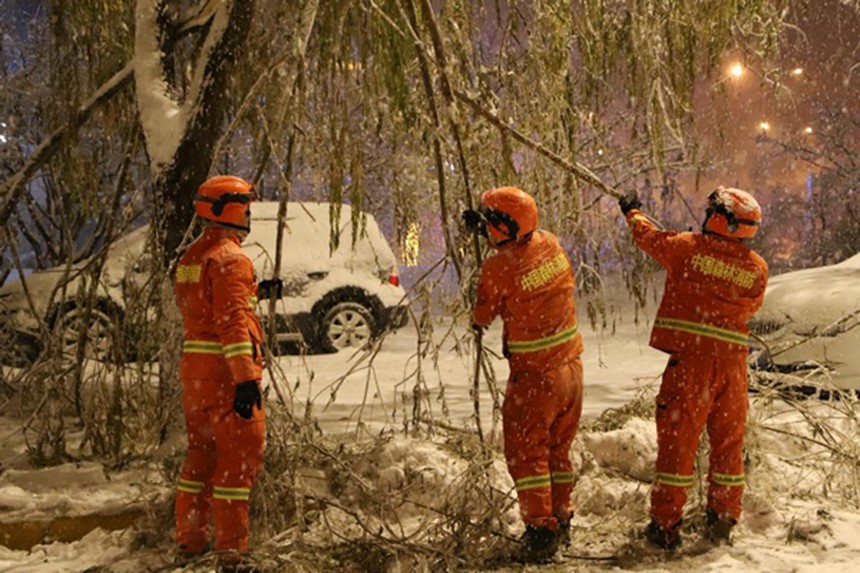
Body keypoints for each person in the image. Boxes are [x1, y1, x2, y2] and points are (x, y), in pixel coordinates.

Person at [618, 186, 769, 549]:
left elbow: (650, 238)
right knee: (728, 446)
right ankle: (723, 519)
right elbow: (749, 308)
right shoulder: (757, 269)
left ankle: (665, 525)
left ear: (722, 219)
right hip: (733, 368)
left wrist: (632, 211)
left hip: (691, 366)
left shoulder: (686, 249)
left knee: (678, 446)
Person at [463, 186, 584, 563]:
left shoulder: (500, 266)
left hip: (536, 377)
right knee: (557, 450)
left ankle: (539, 532)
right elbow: (522, 261)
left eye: (489, 222)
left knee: (526, 453)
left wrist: (476, 318)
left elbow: (484, 312)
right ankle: (561, 518)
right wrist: (485, 230)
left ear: (504, 226)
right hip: (571, 371)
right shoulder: (549, 244)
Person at [173, 175, 266, 572]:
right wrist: (246, 379)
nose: (248, 213)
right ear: (231, 208)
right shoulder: (231, 258)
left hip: (195, 377)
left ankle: (190, 543)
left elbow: (209, 306)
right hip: (227, 376)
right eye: (245, 205)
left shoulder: (192, 256)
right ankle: (233, 555)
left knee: (199, 459)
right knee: (236, 466)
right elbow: (230, 321)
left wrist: (257, 292)